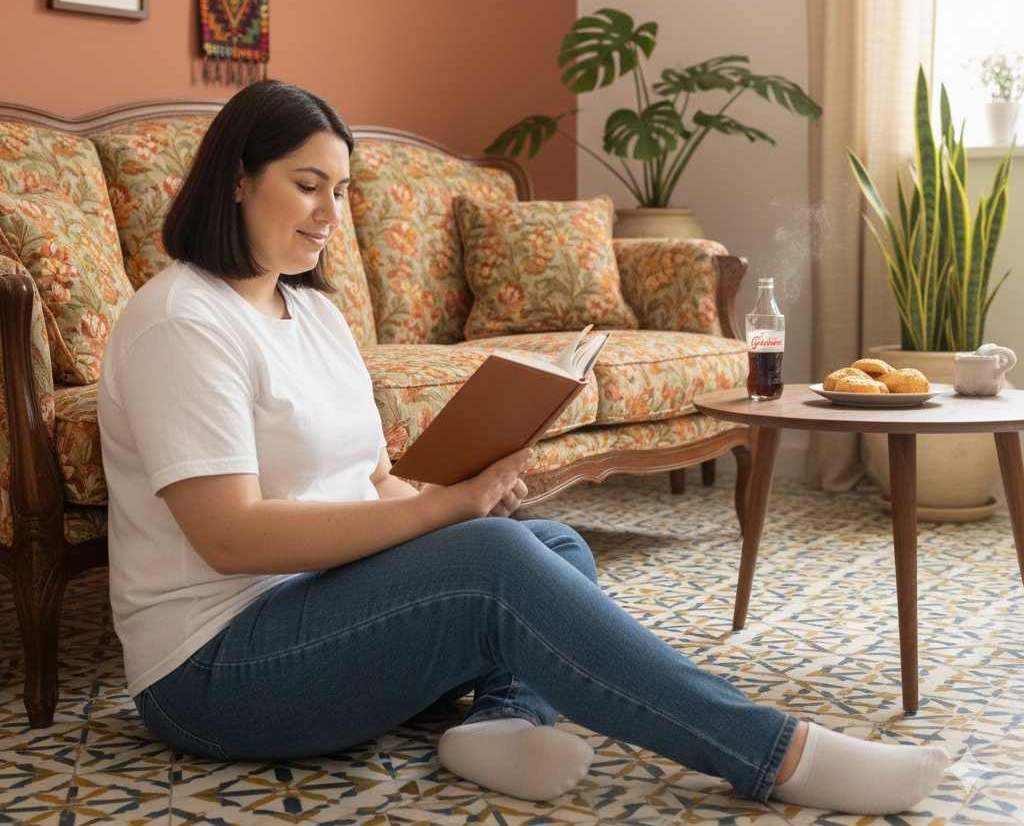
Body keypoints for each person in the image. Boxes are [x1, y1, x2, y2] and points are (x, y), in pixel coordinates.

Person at [98, 80, 949, 814]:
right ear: (238, 179)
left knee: (547, 542)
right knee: (496, 561)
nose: (332, 214)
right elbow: (229, 536)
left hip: (312, 610)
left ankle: (500, 723)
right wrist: (444, 514)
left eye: (343, 190)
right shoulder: (180, 321)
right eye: (308, 185)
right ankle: (778, 754)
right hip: (215, 671)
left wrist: (465, 498)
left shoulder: (310, 311)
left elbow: (366, 480)